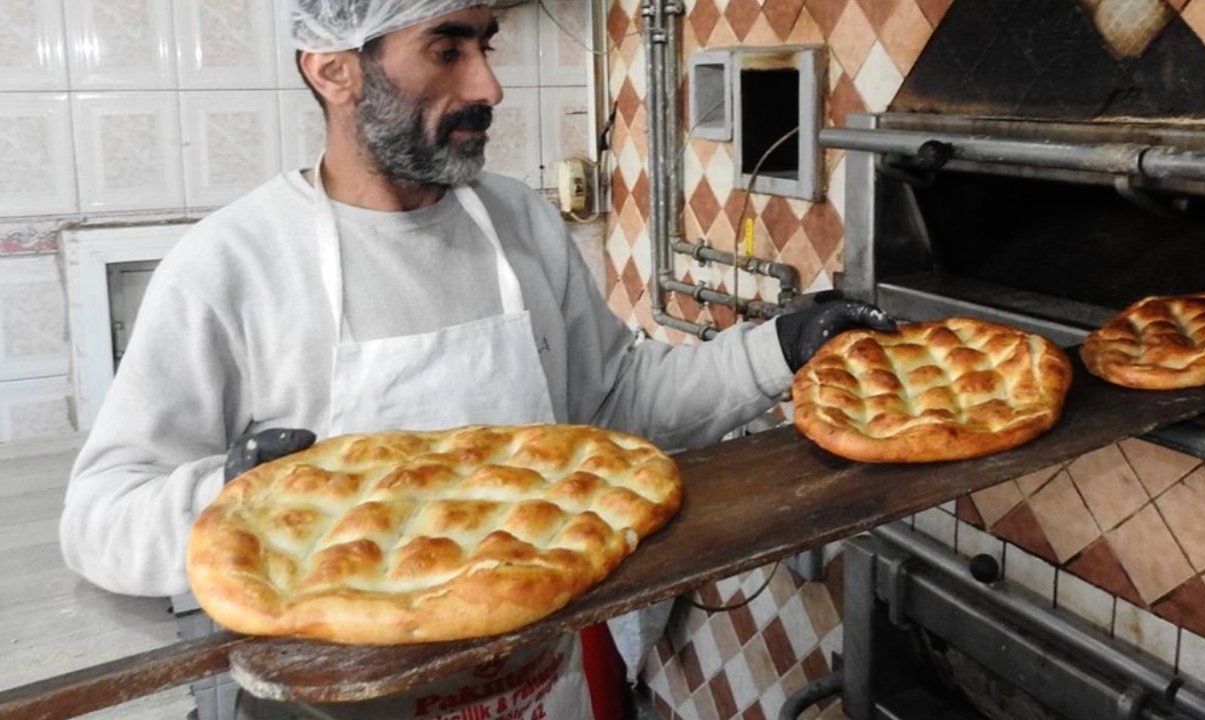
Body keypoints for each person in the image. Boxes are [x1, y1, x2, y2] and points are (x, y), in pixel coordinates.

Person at [58, 0, 895, 718]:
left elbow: (614, 405)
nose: (487, 86)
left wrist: (780, 346)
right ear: (333, 69)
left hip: (539, 693)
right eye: (447, 50)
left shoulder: (518, 223)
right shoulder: (231, 266)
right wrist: (234, 494)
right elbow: (100, 514)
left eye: (485, 47)